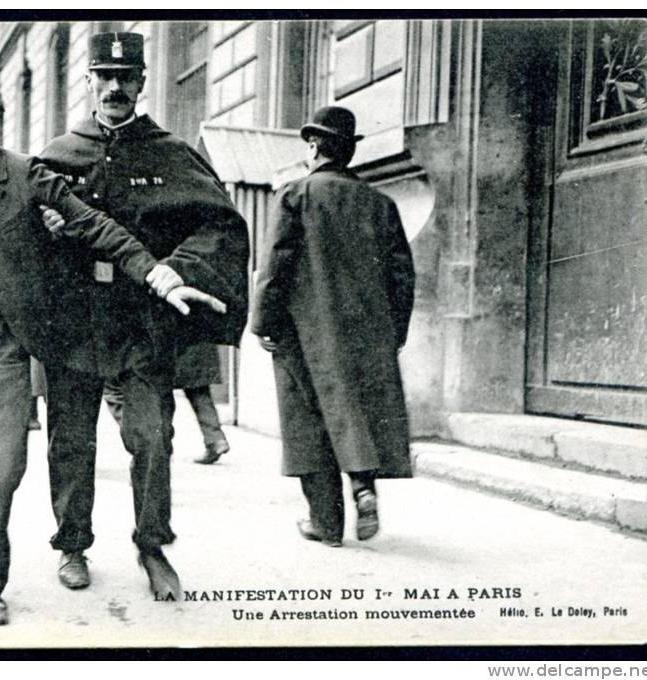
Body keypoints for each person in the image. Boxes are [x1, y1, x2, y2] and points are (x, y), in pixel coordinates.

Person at [0, 59, 223, 626]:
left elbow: (97, 226)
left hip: (0, 341)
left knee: (3, 470)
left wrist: (159, 273)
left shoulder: (27, 174)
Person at [37, 31, 249, 599]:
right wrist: (49, 234)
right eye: (103, 77)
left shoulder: (171, 153)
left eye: (125, 78)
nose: (114, 88)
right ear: (88, 82)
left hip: (141, 320)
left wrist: (176, 268)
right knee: (71, 440)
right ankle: (73, 545)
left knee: (151, 436)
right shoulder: (59, 154)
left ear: (141, 83)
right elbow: (20, 233)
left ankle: (152, 545)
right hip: (76, 321)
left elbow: (219, 223)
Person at [250, 106, 415, 547]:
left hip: (305, 330)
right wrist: (394, 333)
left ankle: (325, 522)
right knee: (355, 409)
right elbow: (402, 275)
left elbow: (275, 266)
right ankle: (363, 487)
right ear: (348, 151)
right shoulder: (382, 204)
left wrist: (263, 322)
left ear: (314, 147)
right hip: (368, 332)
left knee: (307, 419)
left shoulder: (295, 195)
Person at [103, 342, 230, 465]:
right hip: (199, 345)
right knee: (199, 391)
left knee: (163, 396)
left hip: (173, 350)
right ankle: (215, 438)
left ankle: (158, 449)